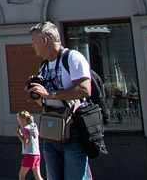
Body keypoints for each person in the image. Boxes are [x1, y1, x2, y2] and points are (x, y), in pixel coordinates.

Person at [28, 21, 92, 180]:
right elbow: (45, 102)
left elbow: (85, 89)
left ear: (44, 41)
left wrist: (51, 94)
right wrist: (36, 93)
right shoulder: (44, 66)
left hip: (73, 130)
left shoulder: (72, 58)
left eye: (34, 41)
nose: (32, 46)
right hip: (51, 131)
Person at [16, 109, 43, 180]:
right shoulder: (33, 127)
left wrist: (18, 134)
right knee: (37, 176)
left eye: (19, 120)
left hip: (29, 154)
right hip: (36, 153)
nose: (18, 122)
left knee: (21, 175)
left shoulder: (26, 129)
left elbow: (26, 142)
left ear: (23, 120)